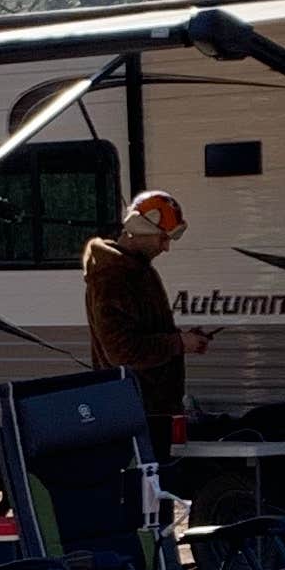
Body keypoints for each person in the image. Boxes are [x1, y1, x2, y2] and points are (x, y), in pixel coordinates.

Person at [81, 189, 206, 440]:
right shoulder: (112, 277)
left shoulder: (136, 270)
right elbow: (121, 352)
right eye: (162, 238)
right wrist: (179, 343)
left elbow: (143, 334)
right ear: (139, 230)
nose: (166, 248)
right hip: (135, 413)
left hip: (151, 410)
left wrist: (182, 339)